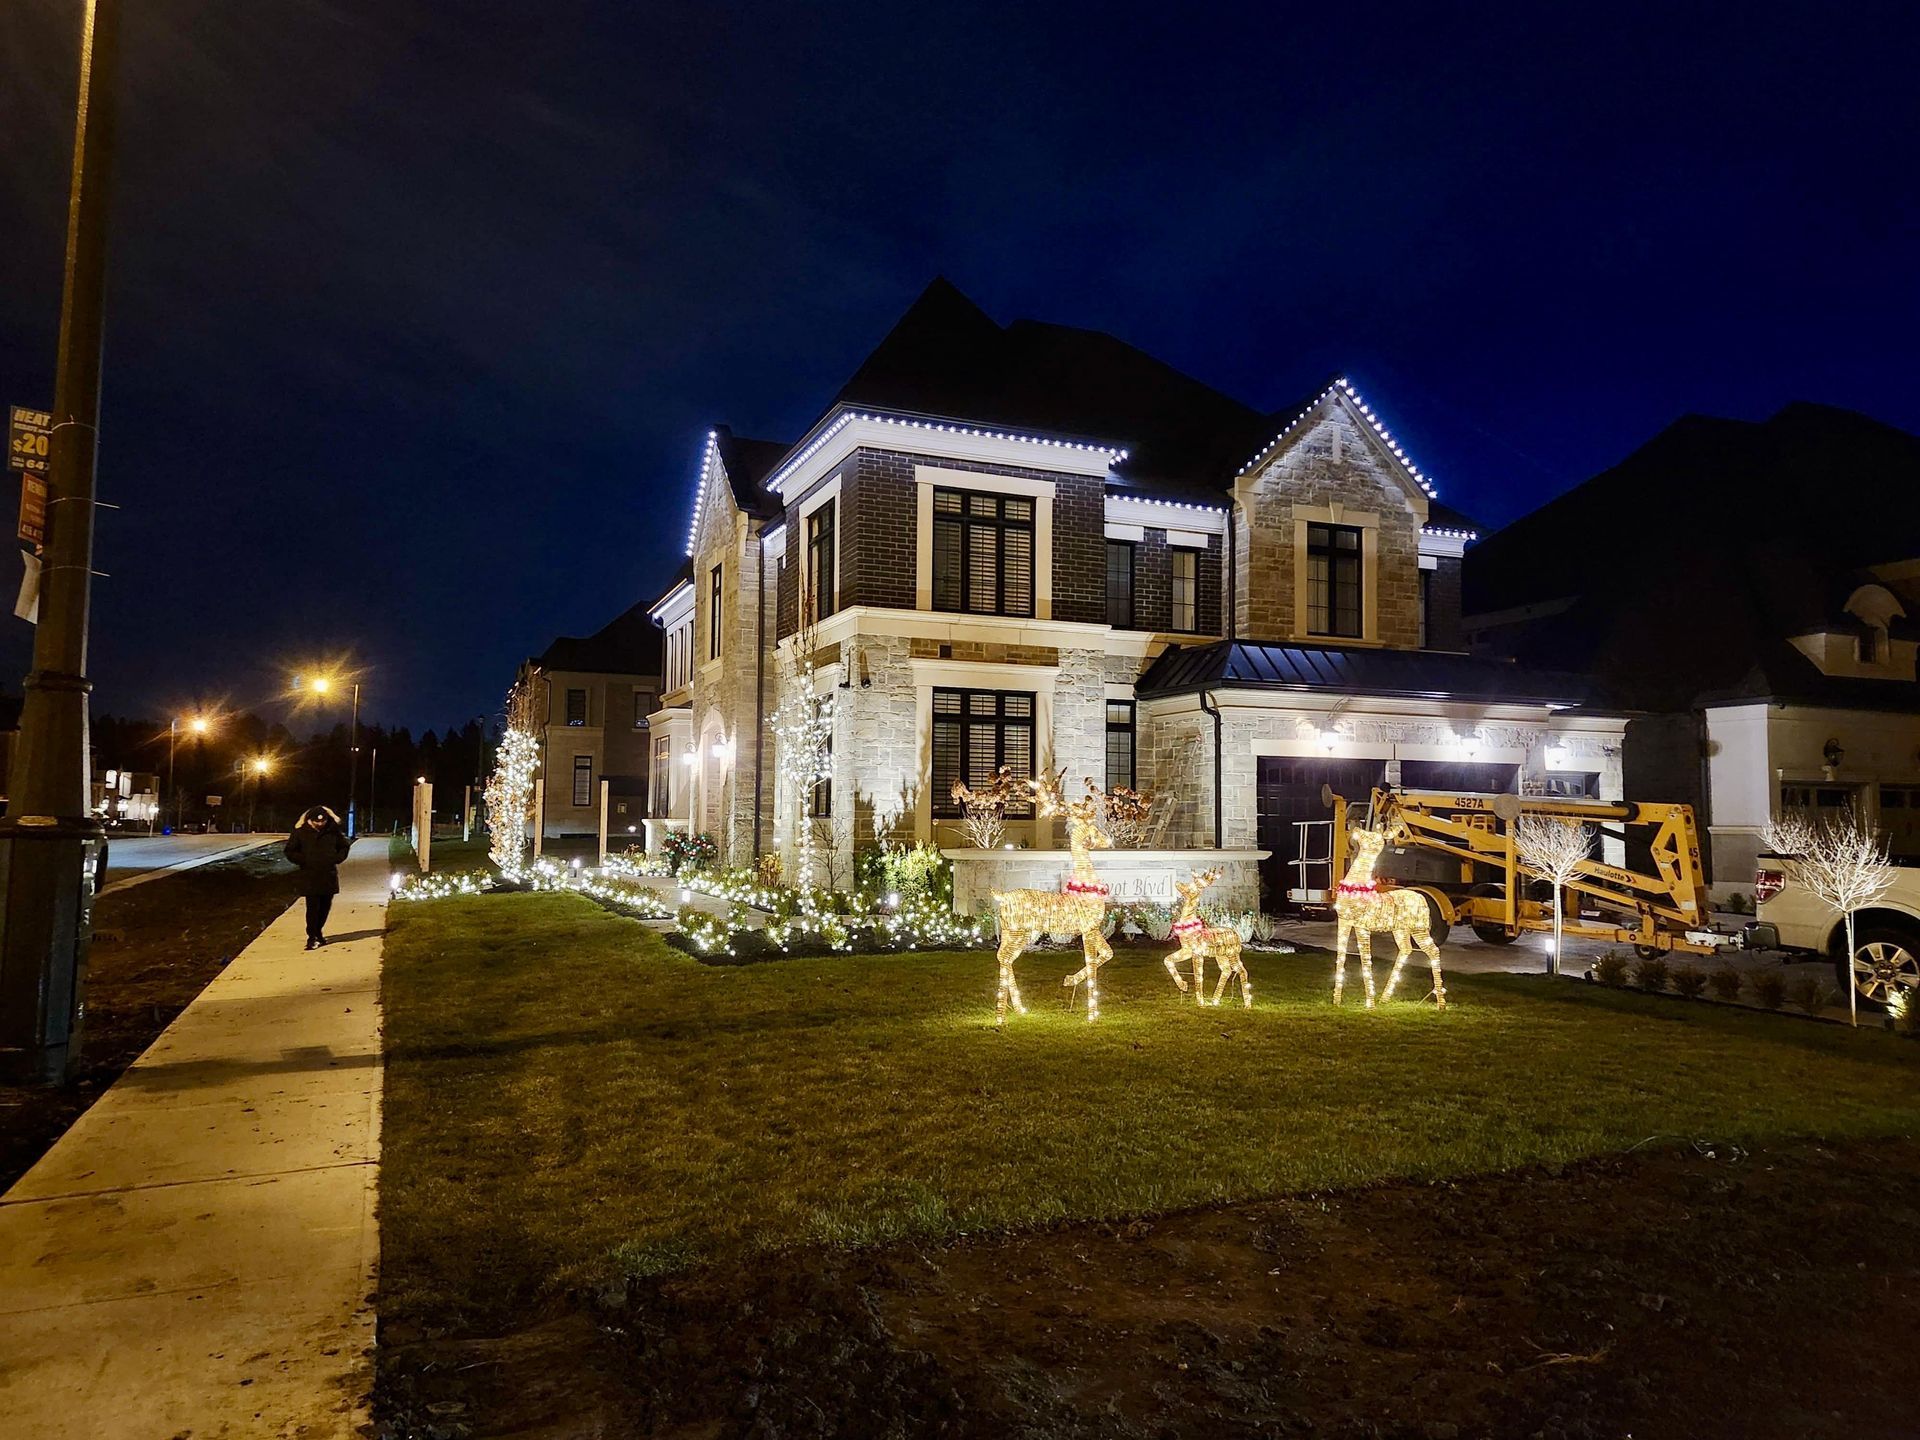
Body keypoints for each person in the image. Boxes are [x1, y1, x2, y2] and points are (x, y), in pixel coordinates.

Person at [285, 806, 350, 949]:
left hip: (328, 875)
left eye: (323, 821)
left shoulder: (333, 832)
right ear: (309, 820)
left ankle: (318, 931)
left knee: (325, 906)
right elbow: (290, 851)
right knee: (312, 907)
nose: (320, 824)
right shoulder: (300, 833)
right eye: (317, 822)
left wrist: (336, 858)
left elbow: (344, 847)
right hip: (309, 876)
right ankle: (312, 936)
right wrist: (304, 859)